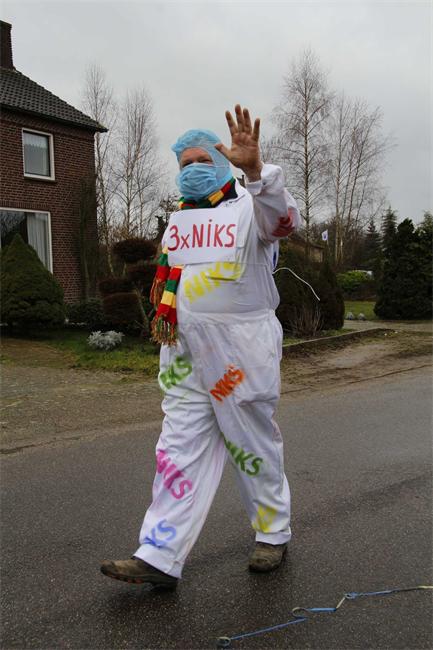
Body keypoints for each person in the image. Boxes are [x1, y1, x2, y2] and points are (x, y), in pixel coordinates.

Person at [101, 104, 302, 589]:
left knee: (252, 444)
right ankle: (159, 553)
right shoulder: (178, 222)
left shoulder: (250, 209)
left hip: (240, 353)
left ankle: (272, 533)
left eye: (202, 160)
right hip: (185, 352)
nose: (193, 169)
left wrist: (258, 174)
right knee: (176, 450)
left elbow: (283, 222)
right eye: (185, 163)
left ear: (223, 163)